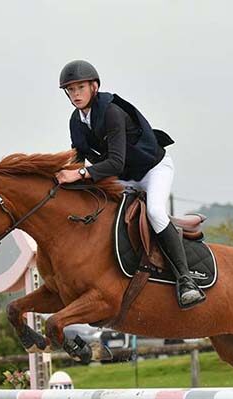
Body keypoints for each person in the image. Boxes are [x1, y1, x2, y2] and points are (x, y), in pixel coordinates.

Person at [54, 60, 205, 310]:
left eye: (80, 87)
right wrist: (65, 178)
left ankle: (186, 280)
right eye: (70, 90)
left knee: (155, 212)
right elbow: (79, 155)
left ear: (94, 86)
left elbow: (114, 162)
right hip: (125, 175)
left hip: (152, 169)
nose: (75, 94)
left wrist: (80, 173)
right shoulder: (76, 119)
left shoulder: (112, 112)